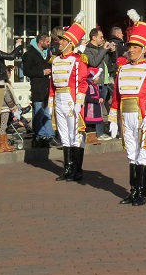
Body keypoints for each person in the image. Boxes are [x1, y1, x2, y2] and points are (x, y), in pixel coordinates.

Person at [107, 11, 146, 206]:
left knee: (142, 153)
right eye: (130, 46)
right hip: (125, 117)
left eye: (135, 47)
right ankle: (132, 191)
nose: (130, 50)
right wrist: (113, 120)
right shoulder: (122, 69)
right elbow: (116, 96)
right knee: (130, 153)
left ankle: (142, 192)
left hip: (143, 116)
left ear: (143, 49)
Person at [49, 14, 88, 182]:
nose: (60, 42)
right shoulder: (55, 60)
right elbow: (52, 84)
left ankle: (77, 169)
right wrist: (50, 102)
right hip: (59, 99)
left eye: (64, 40)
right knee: (64, 134)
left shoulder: (79, 60)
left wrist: (79, 103)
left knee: (76, 135)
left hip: (72, 100)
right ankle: (67, 167)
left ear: (71, 44)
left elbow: (83, 83)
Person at [21, 33, 54, 147]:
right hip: (37, 88)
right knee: (39, 113)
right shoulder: (29, 54)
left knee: (47, 113)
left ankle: (50, 135)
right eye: (47, 41)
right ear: (41, 42)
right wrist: (42, 72)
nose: (49, 43)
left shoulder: (48, 53)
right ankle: (40, 135)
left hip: (47, 87)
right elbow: (26, 71)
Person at [84, 68, 105, 141]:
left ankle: (93, 137)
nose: (99, 78)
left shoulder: (95, 85)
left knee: (94, 123)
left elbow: (99, 94)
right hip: (90, 107)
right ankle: (89, 137)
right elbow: (87, 98)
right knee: (89, 123)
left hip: (96, 107)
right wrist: (97, 100)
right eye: (97, 77)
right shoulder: (88, 86)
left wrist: (101, 98)